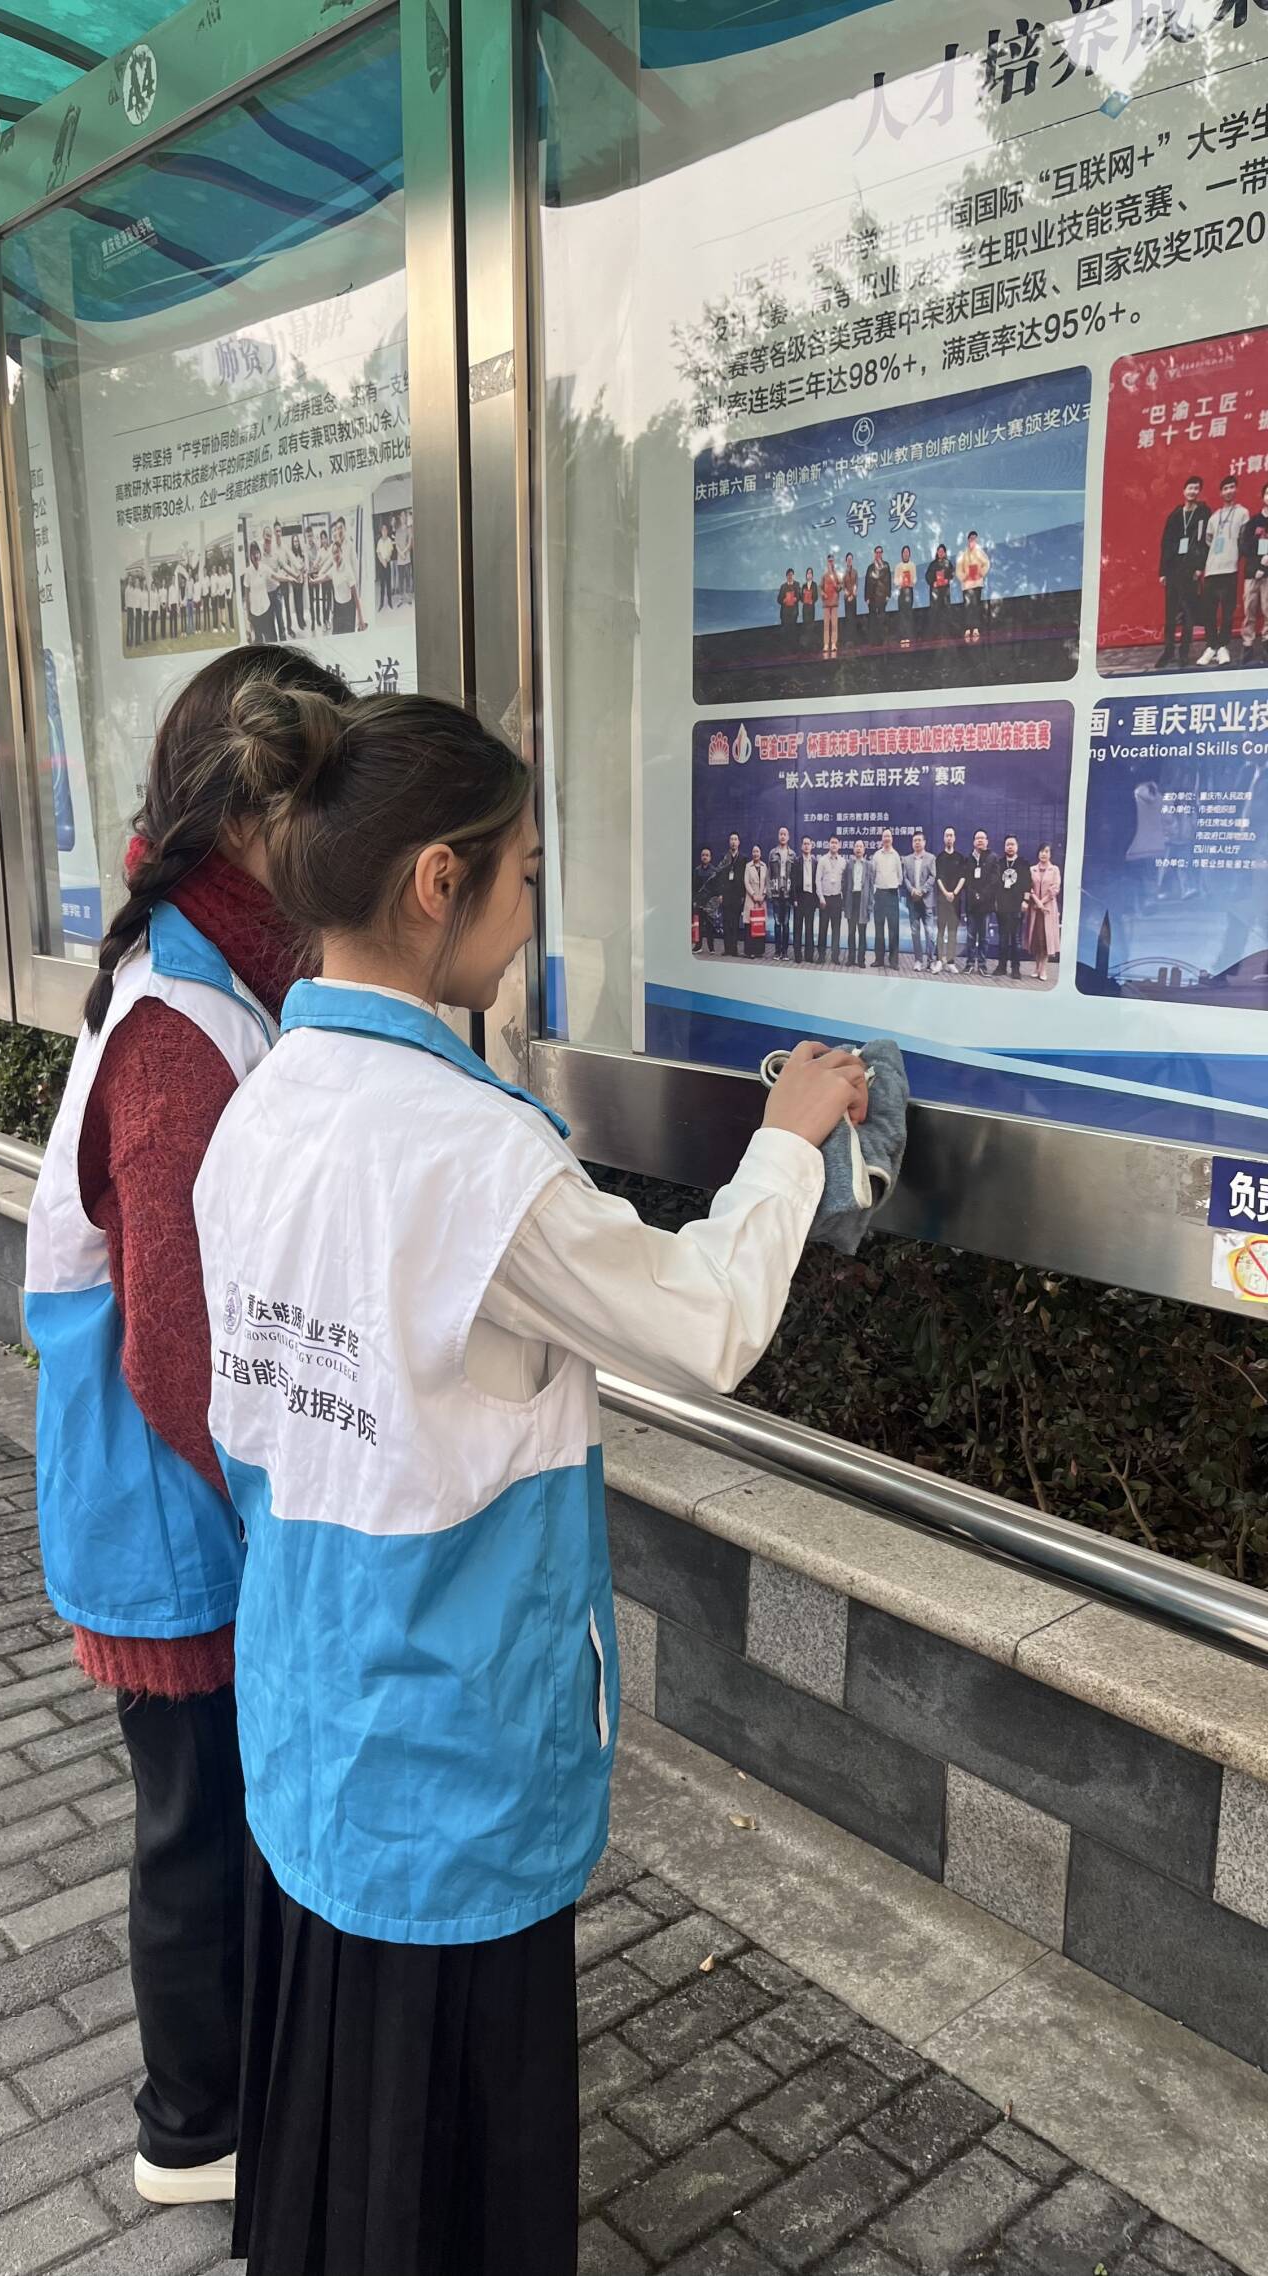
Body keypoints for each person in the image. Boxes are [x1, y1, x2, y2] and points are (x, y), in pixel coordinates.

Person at [192, 682, 870, 2276]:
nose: (526, 912)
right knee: (454, 2157)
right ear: (438, 882)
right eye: (522, 878)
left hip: (313, 1718)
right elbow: (703, 1324)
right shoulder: (470, 1152)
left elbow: (257, 1415)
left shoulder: (265, 1105)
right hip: (453, 1745)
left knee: (338, 2112)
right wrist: (789, 1140)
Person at [24, 645, 354, 2213]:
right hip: (165, 1508)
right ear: (258, 822)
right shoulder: (181, 1025)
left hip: (166, 1493)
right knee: (195, 1824)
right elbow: (175, 1350)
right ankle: (196, 2126)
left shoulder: (225, 970)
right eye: (328, 807)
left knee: (203, 1811)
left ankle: (211, 2105)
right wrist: (287, 1510)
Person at [1158, 476, 1209, 668]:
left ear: (1199, 492)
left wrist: (1199, 567)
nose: (1192, 492)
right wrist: (1162, 571)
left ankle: (1183, 653)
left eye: (1196, 488)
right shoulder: (1175, 515)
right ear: (1184, 491)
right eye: (1190, 488)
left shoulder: (1203, 512)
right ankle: (1168, 650)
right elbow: (1166, 543)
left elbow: (1204, 541)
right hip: (1173, 570)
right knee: (1170, 614)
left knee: (1188, 613)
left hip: (1190, 571)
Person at [1200, 476, 1247, 666]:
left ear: (1235, 490)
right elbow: (1209, 540)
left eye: (1231, 487)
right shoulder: (1213, 517)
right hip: (1212, 569)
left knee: (1227, 612)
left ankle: (1223, 647)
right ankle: (1212, 646)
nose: (1228, 491)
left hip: (1230, 568)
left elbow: (1243, 539)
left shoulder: (1243, 513)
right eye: (1225, 488)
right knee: (1209, 611)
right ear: (1221, 493)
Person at [963, 830, 998, 973]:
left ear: (987, 841)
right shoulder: (969, 859)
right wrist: (974, 895)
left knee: (984, 937)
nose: (980, 841)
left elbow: (994, 880)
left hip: (985, 904)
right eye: (977, 838)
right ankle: (970, 963)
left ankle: (982, 964)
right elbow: (967, 881)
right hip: (972, 904)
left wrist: (982, 895)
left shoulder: (993, 858)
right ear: (973, 842)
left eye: (983, 838)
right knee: (970, 936)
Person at [1026, 843, 1061, 983]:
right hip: (1035, 909)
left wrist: (1042, 902)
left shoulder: (1055, 870)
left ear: (1050, 854)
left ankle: (1043, 967)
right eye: (1041, 851)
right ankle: (1036, 967)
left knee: (1046, 939)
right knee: (1036, 939)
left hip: (1048, 909)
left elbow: (1055, 889)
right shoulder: (1032, 870)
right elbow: (1029, 888)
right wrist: (1037, 901)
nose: (1043, 854)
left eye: (1046, 851)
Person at [1242, 480, 1268, 663]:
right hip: (1252, 574)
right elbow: (1245, 547)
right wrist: (1257, 567)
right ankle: (1248, 644)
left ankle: (1266, 641)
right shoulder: (1254, 521)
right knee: (1249, 610)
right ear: (1263, 496)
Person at [933, 825, 965, 972]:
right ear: (943, 838)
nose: (949, 838)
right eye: (947, 835)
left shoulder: (960, 858)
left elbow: (963, 878)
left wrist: (954, 893)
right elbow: (938, 878)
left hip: (955, 901)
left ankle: (950, 961)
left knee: (953, 931)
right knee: (940, 931)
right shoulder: (939, 858)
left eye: (951, 835)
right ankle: (939, 960)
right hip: (942, 900)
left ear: (955, 838)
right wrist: (946, 893)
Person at [994, 836, 1027, 978]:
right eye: (1007, 844)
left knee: (1016, 939)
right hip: (1002, 906)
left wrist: (1025, 901)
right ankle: (1001, 967)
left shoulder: (1023, 864)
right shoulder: (999, 863)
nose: (1010, 847)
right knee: (1002, 938)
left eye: (1012, 844)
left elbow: (1027, 883)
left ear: (1017, 847)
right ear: (1004, 847)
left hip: (1017, 906)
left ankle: (1015, 968)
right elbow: (995, 884)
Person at [902, 831, 935, 970]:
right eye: (914, 840)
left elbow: (933, 877)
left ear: (924, 842)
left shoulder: (931, 858)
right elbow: (905, 878)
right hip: (913, 901)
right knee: (915, 932)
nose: (917, 843)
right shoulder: (907, 859)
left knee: (930, 932)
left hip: (926, 901)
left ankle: (931, 960)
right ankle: (918, 960)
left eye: (919, 840)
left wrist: (922, 890)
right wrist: (912, 890)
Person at [870, 828, 903, 969]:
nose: (887, 839)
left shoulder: (896, 855)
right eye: (884, 836)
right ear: (881, 839)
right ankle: (879, 959)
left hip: (892, 894)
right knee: (879, 928)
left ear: (892, 839)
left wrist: (892, 885)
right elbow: (872, 875)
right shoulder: (876, 855)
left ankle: (894, 961)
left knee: (893, 929)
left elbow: (900, 877)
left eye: (889, 836)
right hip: (880, 895)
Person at [324, 536, 366, 637]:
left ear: (341, 552)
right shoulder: (334, 568)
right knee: (336, 636)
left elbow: (356, 596)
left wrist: (360, 618)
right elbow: (326, 576)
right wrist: (314, 581)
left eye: (337, 552)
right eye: (333, 553)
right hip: (338, 608)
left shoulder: (347, 569)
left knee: (348, 637)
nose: (335, 555)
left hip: (348, 608)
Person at [767, 826, 796, 960]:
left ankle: (785, 952)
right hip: (776, 893)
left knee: (786, 922)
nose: (783, 836)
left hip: (788, 893)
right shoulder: (773, 853)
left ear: (788, 837)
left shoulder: (792, 854)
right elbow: (769, 873)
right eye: (781, 834)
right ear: (778, 836)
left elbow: (795, 876)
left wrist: (794, 894)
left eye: (785, 834)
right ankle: (777, 951)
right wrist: (769, 891)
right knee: (777, 922)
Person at [817, 834, 846, 965]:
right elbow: (817, 880)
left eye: (836, 842)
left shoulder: (843, 861)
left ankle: (835, 956)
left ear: (839, 845)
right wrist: (821, 897)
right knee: (822, 928)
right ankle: (821, 955)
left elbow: (845, 882)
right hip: (825, 899)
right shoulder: (822, 860)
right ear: (828, 844)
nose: (834, 845)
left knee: (836, 929)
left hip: (837, 899)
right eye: (832, 842)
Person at [844, 837, 873, 969]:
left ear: (864, 850)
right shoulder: (848, 864)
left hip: (863, 900)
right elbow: (844, 885)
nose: (859, 849)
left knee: (862, 933)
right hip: (851, 900)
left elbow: (871, 887)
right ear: (853, 849)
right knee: (851, 932)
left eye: (861, 846)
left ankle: (861, 959)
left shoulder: (869, 865)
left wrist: (870, 905)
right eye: (856, 846)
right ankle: (851, 958)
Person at [956, 532, 990, 644]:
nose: (972, 540)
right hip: (966, 585)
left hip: (977, 583)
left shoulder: (980, 552)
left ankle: (975, 628)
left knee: (975, 606)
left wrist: (980, 572)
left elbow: (987, 563)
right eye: (971, 538)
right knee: (967, 607)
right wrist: (964, 576)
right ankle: (967, 628)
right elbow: (958, 569)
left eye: (974, 539)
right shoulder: (963, 554)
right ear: (968, 540)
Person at [243, 544, 276, 644]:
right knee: (259, 642)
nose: (255, 555)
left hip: (266, 609)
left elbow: (276, 577)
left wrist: (292, 577)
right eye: (253, 554)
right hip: (255, 613)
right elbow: (246, 595)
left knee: (271, 639)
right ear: (250, 556)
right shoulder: (248, 572)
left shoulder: (264, 568)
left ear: (260, 554)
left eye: (257, 552)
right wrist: (248, 613)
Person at [717, 832, 743, 957]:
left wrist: (743, 895)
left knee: (735, 923)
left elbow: (744, 878)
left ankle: (734, 949)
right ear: (729, 842)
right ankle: (727, 949)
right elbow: (720, 877)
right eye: (731, 839)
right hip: (726, 895)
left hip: (737, 896)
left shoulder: (743, 859)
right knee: (726, 922)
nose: (733, 841)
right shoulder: (724, 857)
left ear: (739, 842)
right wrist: (720, 894)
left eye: (735, 839)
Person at [794, 835, 819, 964]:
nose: (806, 846)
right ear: (801, 846)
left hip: (811, 899)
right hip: (799, 898)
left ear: (811, 846)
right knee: (797, 928)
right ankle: (797, 955)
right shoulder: (797, 861)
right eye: (804, 843)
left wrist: (816, 900)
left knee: (809, 928)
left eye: (808, 843)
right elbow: (792, 882)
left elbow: (818, 882)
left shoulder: (816, 862)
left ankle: (809, 956)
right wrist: (794, 899)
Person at [743, 843, 769, 958]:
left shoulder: (764, 866)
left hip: (761, 901)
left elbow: (767, 882)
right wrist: (753, 895)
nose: (755, 854)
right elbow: (746, 882)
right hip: (751, 899)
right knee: (750, 925)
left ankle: (759, 951)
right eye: (754, 852)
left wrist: (763, 895)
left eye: (757, 851)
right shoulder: (748, 866)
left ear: (760, 853)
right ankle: (750, 951)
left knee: (759, 924)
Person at [692, 847, 718, 953]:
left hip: (710, 903)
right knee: (699, 925)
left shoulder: (714, 871)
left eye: (707, 855)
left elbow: (716, 887)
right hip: (699, 902)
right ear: (701, 857)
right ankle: (698, 946)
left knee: (709, 926)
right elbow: (694, 887)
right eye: (703, 855)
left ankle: (711, 948)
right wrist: (694, 900)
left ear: (710, 857)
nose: (705, 857)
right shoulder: (697, 870)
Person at [865, 548, 891, 641]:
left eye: (880, 552)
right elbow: (867, 582)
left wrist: (888, 594)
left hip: (882, 596)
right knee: (872, 619)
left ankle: (882, 639)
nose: (878, 554)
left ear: (882, 553)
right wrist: (866, 597)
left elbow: (888, 580)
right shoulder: (870, 567)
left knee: (881, 618)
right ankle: (873, 640)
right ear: (874, 554)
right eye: (877, 552)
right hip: (872, 596)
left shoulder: (886, 565)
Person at [894, 547, 916, 649]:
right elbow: (895, 581)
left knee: (909, 613)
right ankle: (903, 636)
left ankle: (909, 635)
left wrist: (910, 582)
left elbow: (914, 579)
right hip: (901, 591)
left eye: (907, 552)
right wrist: (901, 582)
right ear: (901, 554)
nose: (906, 554)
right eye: (904, 552)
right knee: (902, 613)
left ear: (909, 554)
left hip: (909, 590)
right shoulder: (898, 566)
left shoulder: (912, 565)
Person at [926, 543, 953, 626]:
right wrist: (933, 582)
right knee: (934, 612)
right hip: (935, 592)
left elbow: (951, 574)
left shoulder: (948, 563)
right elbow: (928, 576)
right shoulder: (932, 564)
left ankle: (946, 633)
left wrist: (947, 580)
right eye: (939, 551)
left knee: (946, 610)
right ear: (937, 552)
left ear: (944, 553)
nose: (940, 553)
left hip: (945, 591)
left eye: (942, 551)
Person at [821, 556, 841, 659]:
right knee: (826, 625)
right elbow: (820, 588)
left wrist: (837, 586)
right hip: (826, 603)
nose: (830, 563)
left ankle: (833, 644)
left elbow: (840, 586)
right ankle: (826, 644)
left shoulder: (837, 575)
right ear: (827, 562)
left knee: (834, 624)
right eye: (829, 561)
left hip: (834, 602)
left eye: (832, 561)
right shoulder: (824, 575)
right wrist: (823, 593)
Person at [376, 520, 395, 613]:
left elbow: (390, 552)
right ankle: (381, 603)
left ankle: (390, 603)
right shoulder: (379, 541)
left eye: (385, 530)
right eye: (382, 530)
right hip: (381, 564)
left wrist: (386, 560)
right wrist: (382, 561)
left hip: (387, 564)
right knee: (382, 585)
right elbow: (378, 553)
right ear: (381, 531)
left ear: (387, 531)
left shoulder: (389, 540)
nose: (384, 531)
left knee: (388, 584)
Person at [777, 569, 800, 643]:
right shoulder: (783, 586)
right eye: (788, 575)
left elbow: (799, 596)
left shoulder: (797, 584)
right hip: (785, 613)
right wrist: (783, 600)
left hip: (793, 612)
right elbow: (779, 599)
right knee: (785, 632)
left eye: (791, 575)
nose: (790, 576)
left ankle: (793, 648)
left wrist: (796, 598)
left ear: (793, 576)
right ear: (786, 576)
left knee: (793, 631)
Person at [842, 553, 859, 643]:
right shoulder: (844, 573)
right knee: (848, 618)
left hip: (854, 597)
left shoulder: (855, 572)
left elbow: (856, 584)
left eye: (851, 559)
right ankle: (848, 640)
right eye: (848, 559)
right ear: (846, 561)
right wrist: (848, 595)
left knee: (853, 618)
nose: (849, 561)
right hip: (846, 598)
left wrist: (853, 595)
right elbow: (843, 586)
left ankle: (854, 639)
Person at [800, 568, 818, 651]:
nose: (809, 575)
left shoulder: (814, 585)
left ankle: (811, 645)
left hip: (811, 608)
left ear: (812, 575)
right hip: (805, 608)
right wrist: (803, 596)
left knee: (811, 626)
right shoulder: (803, 585)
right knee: (805, 626)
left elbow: (816, 597)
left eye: (810, 573)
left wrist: (812, 600)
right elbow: (800, 598)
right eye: (808, 573)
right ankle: (805, 646)